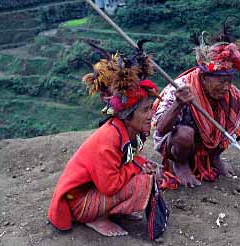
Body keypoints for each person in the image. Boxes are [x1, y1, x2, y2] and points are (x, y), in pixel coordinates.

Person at [48, 50, 160, 237]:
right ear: (127, 115)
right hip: (77, 202)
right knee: (141, 180)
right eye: (146, 110)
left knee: (143, 173)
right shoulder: (108, 139)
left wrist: (139, 164)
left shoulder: (128, 132)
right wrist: (137, 168)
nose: (151, 115)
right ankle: (92, 217)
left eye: (151, 108)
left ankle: (108, 210)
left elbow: (123, 163)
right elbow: (110, 186)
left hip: (92, 190)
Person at [152, 39, 240, 188]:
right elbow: (161, 129)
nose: (226, 87)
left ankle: (213, 156)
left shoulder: (231, 92)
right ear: (205, 77)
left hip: (207, 144)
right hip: (179, 144)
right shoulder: (181, 88)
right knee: (184, 133)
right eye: (221, 82)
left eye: (229, 81)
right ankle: (181, 164)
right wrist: (178, 104)